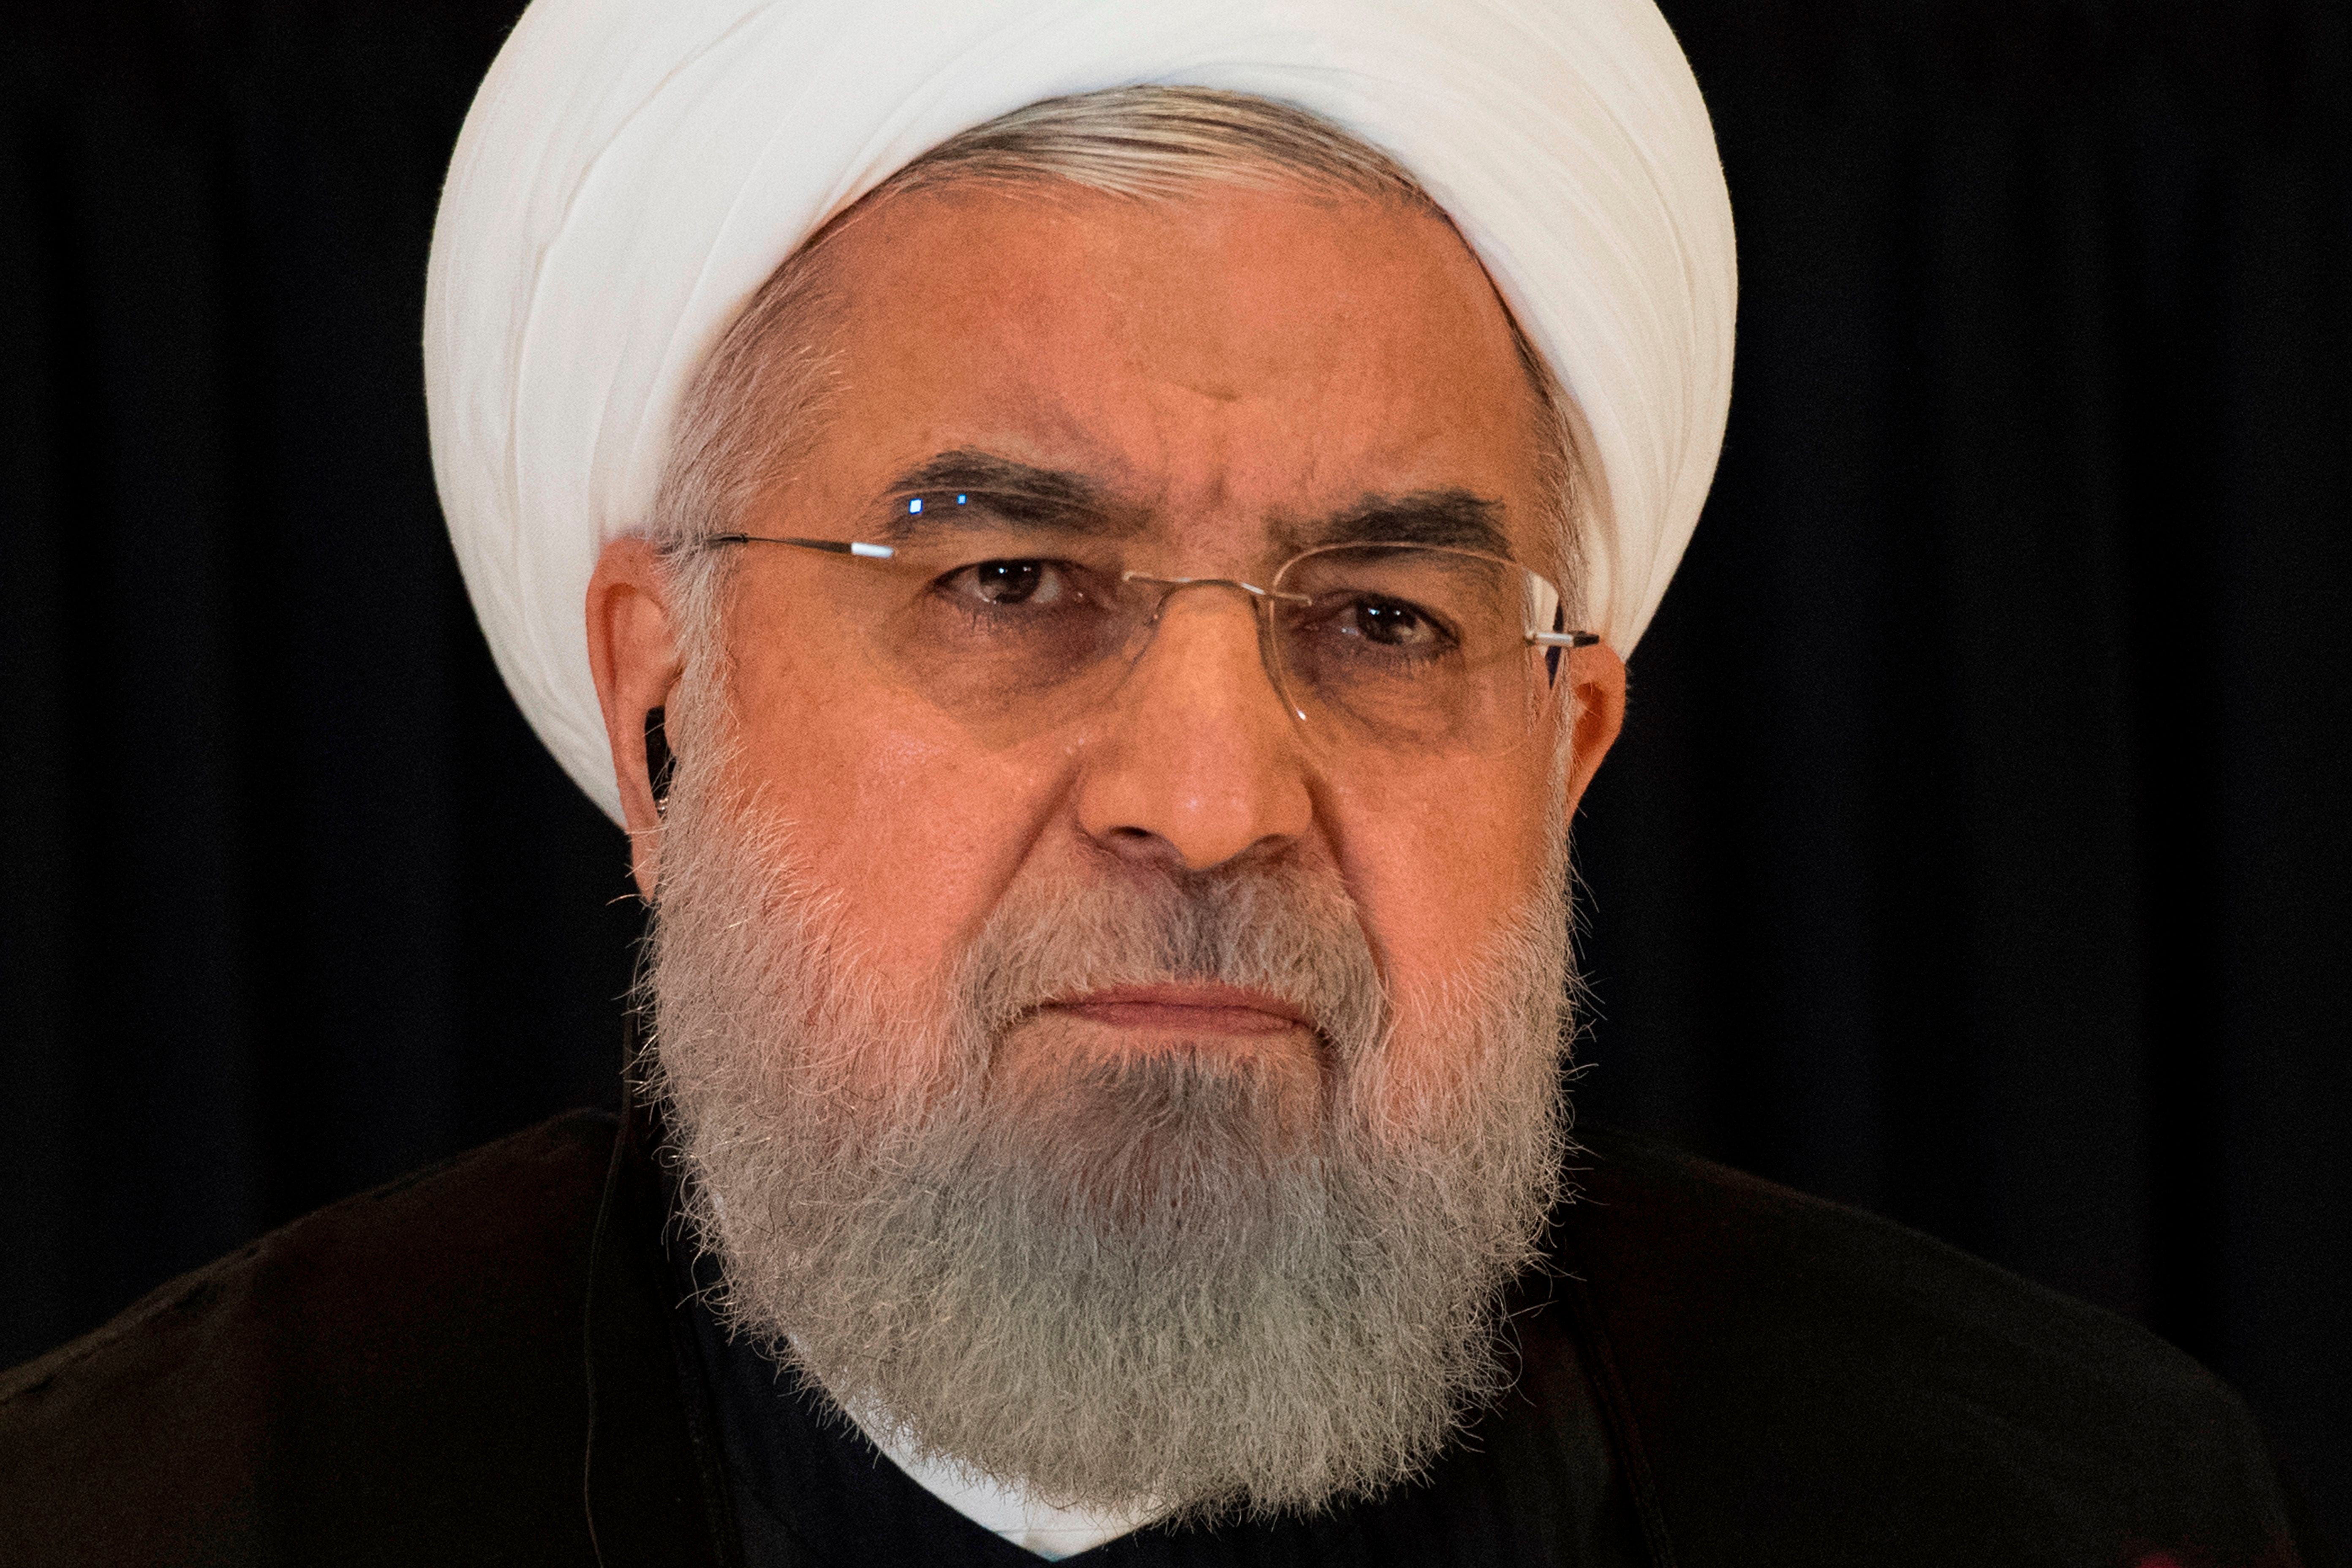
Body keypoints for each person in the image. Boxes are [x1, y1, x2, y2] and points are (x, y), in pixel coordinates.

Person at [0, 3, 2323, 1565]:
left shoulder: (2043, 1506)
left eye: (1388, 621)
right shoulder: (154, 1512)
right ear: (666, 707)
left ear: (1566, 746)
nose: (1213, 801)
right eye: (1015, 581)